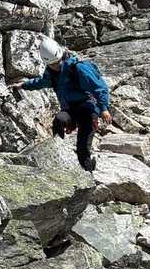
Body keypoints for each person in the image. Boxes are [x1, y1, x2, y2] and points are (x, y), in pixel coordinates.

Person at [12, 36, 111, 172]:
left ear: (62, 56)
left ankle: (89, 173)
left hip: (87, 110)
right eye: (52, 64)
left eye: (57, 63)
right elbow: (41, 82)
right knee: (59, 120)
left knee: (82, 148)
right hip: (71, 110)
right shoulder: (51, 73)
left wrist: (104, 108)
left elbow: (100, 87)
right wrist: (24, 85)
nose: (56, 66)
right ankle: (57, 152)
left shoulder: (79, 68)